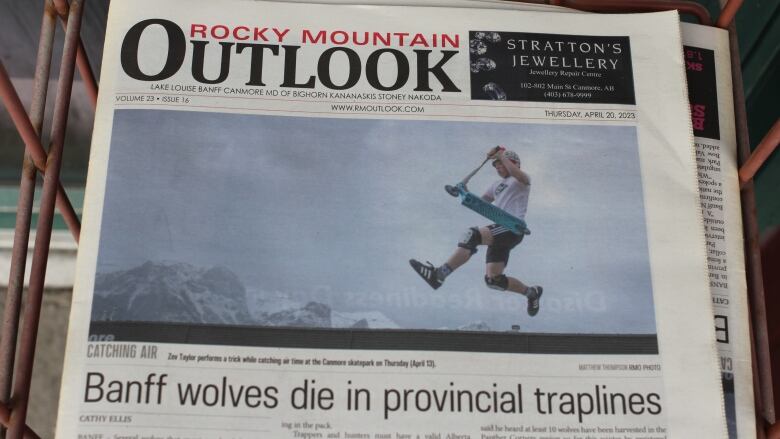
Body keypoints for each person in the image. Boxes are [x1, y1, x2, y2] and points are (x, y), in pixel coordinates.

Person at [409, 146, 543, 316]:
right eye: (495, 166)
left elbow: (515, 172)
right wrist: (464, 191)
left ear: (512, 162)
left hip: (512, 226)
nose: (497, 168)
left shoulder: (521, 179)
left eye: (500, 164)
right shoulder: (496, 185)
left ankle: (439, 274)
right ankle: (531, 293)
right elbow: (481, 203)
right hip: (502, 230)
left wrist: (501, 154)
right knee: (493, 280)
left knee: (471, 236)